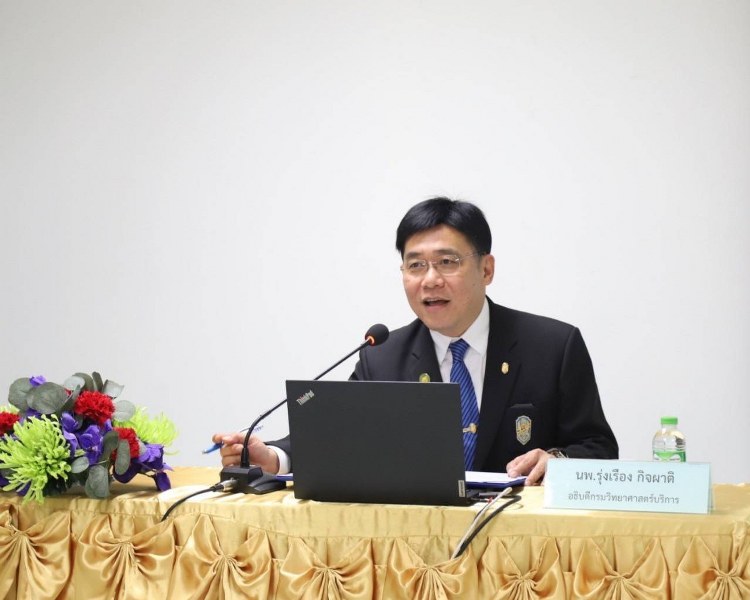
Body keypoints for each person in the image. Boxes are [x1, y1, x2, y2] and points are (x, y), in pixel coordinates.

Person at [213, 197, 618, 485]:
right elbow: (337, 437)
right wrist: (273, 457)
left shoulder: (553, 346)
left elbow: (599, 448)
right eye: (416, 265)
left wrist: (556, 460)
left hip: (523, 547)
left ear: (486, 269)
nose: (430, 280)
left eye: (447, 262)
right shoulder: (382, 357)